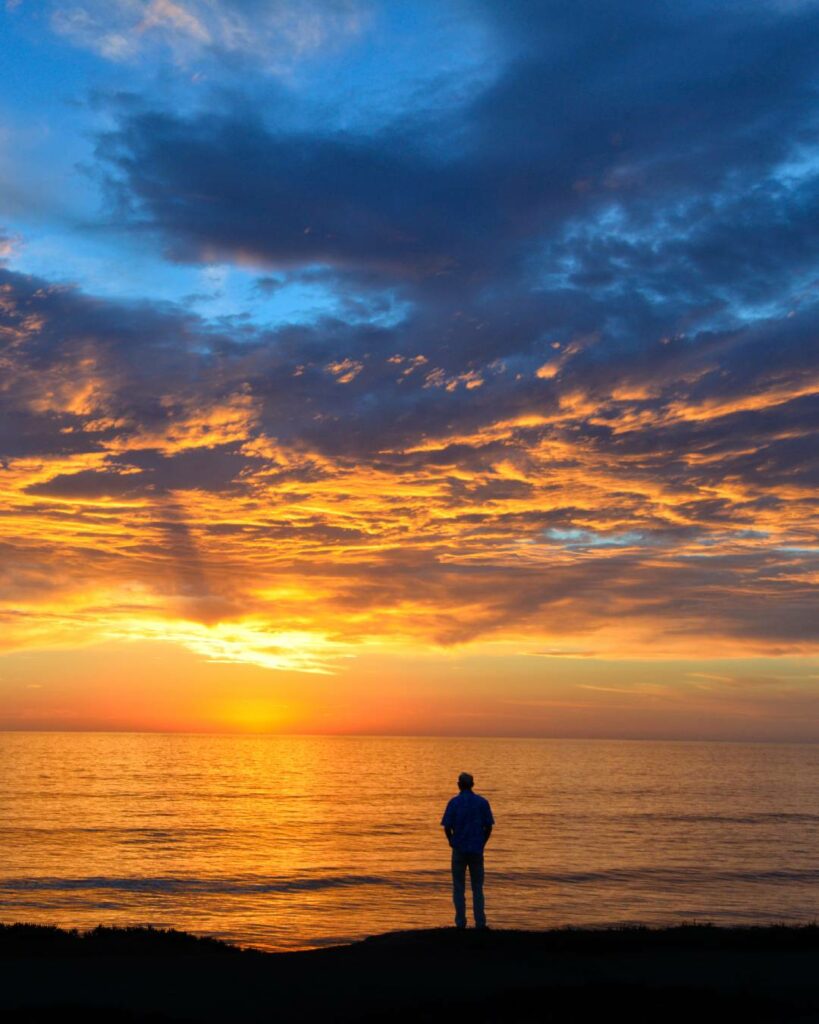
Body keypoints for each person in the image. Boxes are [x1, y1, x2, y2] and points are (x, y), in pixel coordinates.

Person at [441, 771, 495, 929]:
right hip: (476, 850)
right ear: (472, 785)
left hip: (459, 849)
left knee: (459, 887)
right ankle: (480, 923)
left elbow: (447, 826)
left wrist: (451, 841)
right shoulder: (482, 802)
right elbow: (488, 827)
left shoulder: (454, 803)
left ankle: (460, 923)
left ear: (459, 785)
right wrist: (482, 843)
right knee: (477, 887)